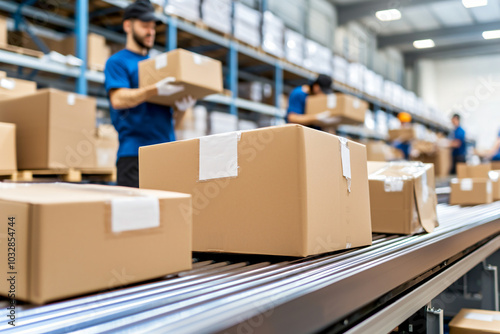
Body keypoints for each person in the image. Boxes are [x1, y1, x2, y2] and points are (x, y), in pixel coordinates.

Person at [104, 0, 196, 188]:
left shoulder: (158, 66)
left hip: (167, 152)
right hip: (135, 156)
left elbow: (172, 123)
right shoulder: (118, 62)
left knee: (168, 214)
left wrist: (182, 109)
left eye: (153, 27)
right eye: (145, 26)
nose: (150, 31)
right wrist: (155, 90)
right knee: (136, 215)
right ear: (128, 25)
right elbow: (118, 99)